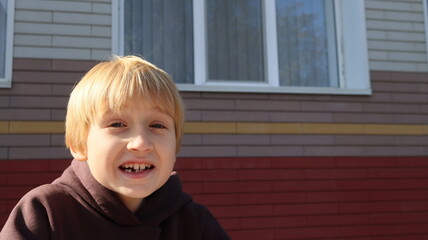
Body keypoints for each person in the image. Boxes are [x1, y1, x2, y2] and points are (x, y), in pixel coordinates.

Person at [0, 56, 231, 240]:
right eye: (118, 124)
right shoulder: (45, 213)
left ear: (175, 147)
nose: (140, 143)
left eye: (157, 125)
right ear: (80, 144)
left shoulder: (194, 223)